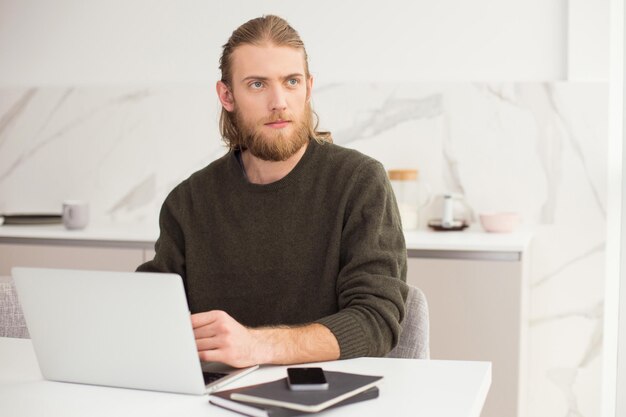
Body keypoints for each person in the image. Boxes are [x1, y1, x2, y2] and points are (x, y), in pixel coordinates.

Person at [136, 15, 408, 368]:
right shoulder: (188, 202)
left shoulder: (359, 182)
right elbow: (153, 314)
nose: (278, 101)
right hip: (212, 398)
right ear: (227, 95)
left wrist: (256, 346)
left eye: (291, 81)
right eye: (257, 85)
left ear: (308, 88)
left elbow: (376, 321)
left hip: (322, 396)